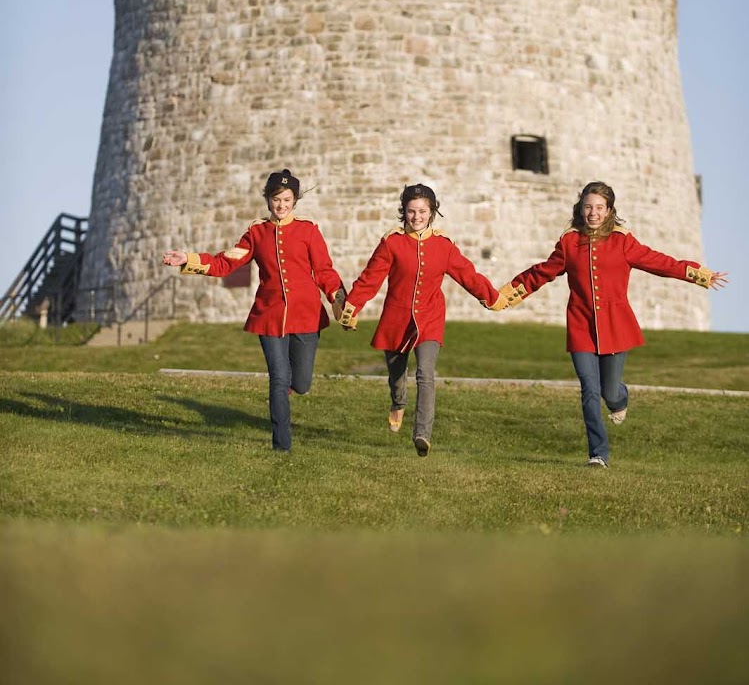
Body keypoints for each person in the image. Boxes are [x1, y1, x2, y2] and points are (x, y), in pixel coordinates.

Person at [494, 181, 728, 468]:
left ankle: (620, 399)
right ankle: (598, 453)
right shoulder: (569, 243)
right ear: (581, 208)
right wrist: (504, 296)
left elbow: (659, 262)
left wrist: (698, 274)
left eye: (599, 208)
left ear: (609, 211)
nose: (593, 213)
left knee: (609, 392)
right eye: (588, 207)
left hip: (616, 326)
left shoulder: (623, 242)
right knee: (589, 391)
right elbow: (541, 273)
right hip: (581, 326)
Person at [162, 169, 346, 452]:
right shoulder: (256, 232)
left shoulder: (309, 230)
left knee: (301, 382)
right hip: (269, 316)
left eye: (286, 199)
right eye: (276, 199)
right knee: (278, 379)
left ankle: (293, 391)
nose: (281, 205)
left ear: (294, 201)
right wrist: (188, 258)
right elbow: (226, 263)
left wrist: (338, 298)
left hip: (307, 315)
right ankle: (281, 446)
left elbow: (323, 271)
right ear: (268, 200)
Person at [339, 183, 506, 457]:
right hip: (397, 317)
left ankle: (422, 434)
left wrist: (492, 297)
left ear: (432, 212)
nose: (417, 217)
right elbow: (371, 278)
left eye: (423, 211)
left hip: (430, 318)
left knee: (425, 373)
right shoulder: (391, 242)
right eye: (411, 211)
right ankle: (398, 402)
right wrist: (352, 306)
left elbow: (468, 275)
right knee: (396, 374)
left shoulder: (443, 246)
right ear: (403, 212)